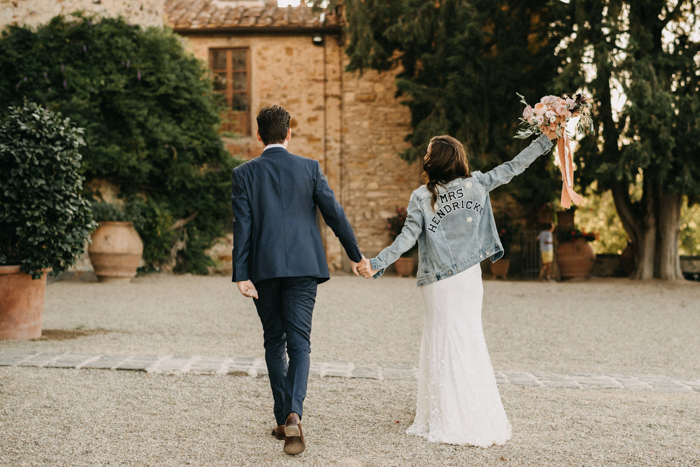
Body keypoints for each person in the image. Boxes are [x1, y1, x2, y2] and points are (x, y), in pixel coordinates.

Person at [359, 130, 556, 447]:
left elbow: (407, 239)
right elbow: (514, 166)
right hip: (469, 279)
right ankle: (470, 413)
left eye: (427, 153)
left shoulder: (422, 197)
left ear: (434, 163)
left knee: (442, 341)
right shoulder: (477, 183)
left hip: (439, 283)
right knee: (468, 340)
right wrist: (544, 140)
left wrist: (377, 262)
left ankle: (447, 417)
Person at [231, 105, 365, 456]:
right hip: (305, 267)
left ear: (259, 135)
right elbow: (334, 213)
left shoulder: (244, 173)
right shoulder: (310, 168)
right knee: (300, 343)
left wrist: (241, 274)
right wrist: (356, 255)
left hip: (263, 269)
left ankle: (282, 419)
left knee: (274, 341)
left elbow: (242, 227)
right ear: (289, 133)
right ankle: (294, 414)